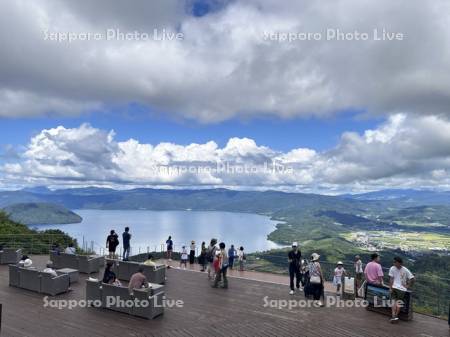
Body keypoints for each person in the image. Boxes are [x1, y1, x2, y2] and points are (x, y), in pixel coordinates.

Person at [389, 257, 415, 323]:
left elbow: (391, 279)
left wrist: (390, 288)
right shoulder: (405, 270)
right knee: (398, 302)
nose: (394, 263)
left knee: (394, 302)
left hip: (395, 287)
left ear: (399, 262)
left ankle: (393, 316)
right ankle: (395, 316)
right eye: (394, 262)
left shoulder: (392, 268)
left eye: (395, 262)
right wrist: (407, 286)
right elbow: (413, 279)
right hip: (402, 289)